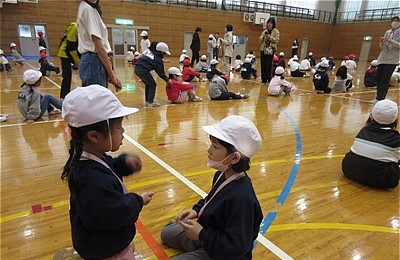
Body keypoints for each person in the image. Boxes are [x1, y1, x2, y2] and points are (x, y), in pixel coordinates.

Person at [61, 85, 154, 259]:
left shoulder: (87, 157)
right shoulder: (92, 181)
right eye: (119, 127)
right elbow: (115, 213)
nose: (123, 131)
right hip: (107, 249)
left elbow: (108, 167)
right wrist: (138, 200)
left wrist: (123, 164)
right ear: (94, 136)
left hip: (105, 242)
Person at [160, 115, 262, 259]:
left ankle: (200, 246)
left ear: (234, 158)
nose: (209, 150)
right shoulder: (223, 174)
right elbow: (212, 199)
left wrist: (202, 234)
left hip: (226, 253)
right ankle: (199, 244)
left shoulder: (242, 198)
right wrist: (196, 211)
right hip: (210, 235)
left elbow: (237, 247)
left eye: (215, 147)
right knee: (167, 232)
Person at [342, 100, 399, 189]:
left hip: (348, 170)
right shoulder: (395, 139)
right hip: (380, 180)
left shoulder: (363, 130)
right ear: (395, 119)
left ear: (372, 115)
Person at [77, 0, 121, 90]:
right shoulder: (88, 9)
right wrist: (112, 76)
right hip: (94, 61)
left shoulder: (85, 7)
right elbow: (99, 48)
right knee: (98, 102)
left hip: (91, 61)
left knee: (93, 101)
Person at [371, 16, 400, 103]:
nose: (394, 22)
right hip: (383, 58)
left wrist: (390, 41)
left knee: (385, 79)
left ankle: (380, 98)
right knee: (378, 78)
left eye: (397, 20)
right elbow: (383, 47)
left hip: (392, 60)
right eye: (393, 20)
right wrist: (382, 42)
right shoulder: (388, 32)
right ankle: (377, 96)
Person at [135, 42, 171, 107]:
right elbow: (160, 72)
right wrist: (167, 80)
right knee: (153, 84)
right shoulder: (158, 59)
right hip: (143, 70)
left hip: (137, 68)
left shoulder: (152, 54)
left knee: (148, 84)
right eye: (165, 53)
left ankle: (147, 101)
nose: (165, 55)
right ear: (162, 52)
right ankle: (150, 102)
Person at [58, 22, 80, 99]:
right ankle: (63, 97)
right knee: (67, 76)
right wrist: (77, 61)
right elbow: (71, 47)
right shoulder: (75, 27)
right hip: (65, 54)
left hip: (72, 54)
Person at [259, 17, 280, 83]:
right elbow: (260, 40)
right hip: (263, 50)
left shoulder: (276, 31)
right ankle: (263, 79)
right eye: (268, 23)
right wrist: (263, 37)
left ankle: (269, 78)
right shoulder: (264, 31)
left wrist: (269, 37)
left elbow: (276, 40)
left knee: (268, 65)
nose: (269, 24)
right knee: (263, 65)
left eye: (271, 23)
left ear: (273, 24)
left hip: (270, 50)